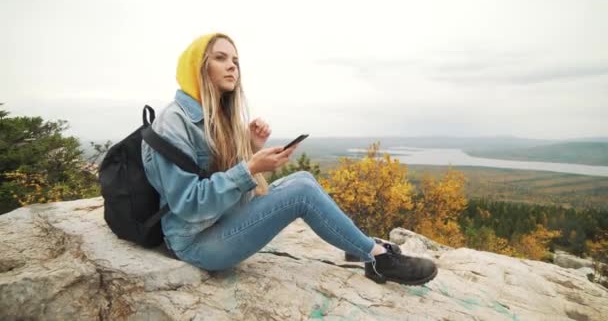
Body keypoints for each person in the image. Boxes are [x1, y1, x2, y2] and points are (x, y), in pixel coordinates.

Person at [141, 33, 437, 285]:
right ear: (198, 66)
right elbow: (189, 203)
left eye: (236, 60)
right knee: (301, 193)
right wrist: (250, 167)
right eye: (221, 58)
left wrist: (250, 148)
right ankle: (377, 260)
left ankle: (355, 244)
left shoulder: (213, 117)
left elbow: (225, 184)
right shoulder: (174, 123)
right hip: (196, 243)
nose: (232, 66)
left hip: (217, 223)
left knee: (303, 179)